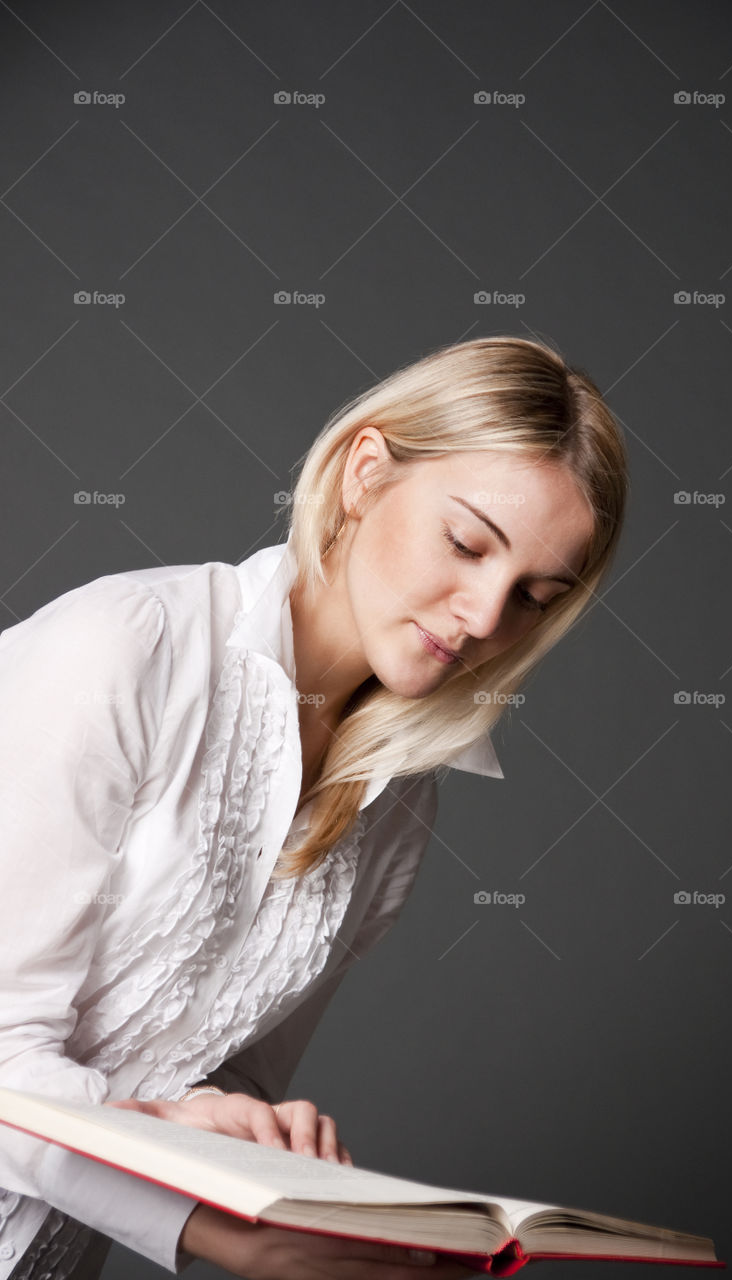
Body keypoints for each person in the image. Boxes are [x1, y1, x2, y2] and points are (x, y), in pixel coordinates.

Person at [0, 334, 628, 1279]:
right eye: (464, 545)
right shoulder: (127, 651)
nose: (486, 617)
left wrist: (260, 1140)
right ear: (364, 475)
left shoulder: (398, 806)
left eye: (534, 595)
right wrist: (229, 1235)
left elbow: (224, 1077)